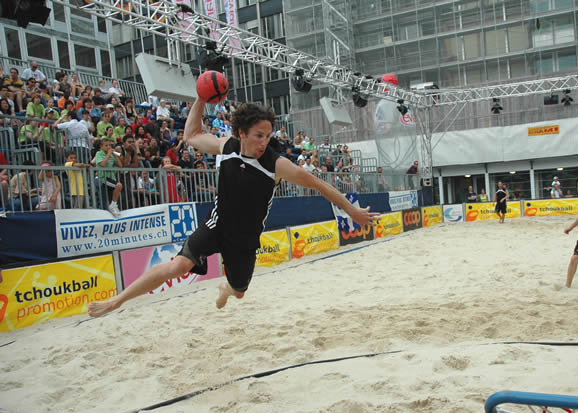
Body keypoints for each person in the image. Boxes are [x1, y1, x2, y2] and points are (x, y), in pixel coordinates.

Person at [87, 99, 379, 318]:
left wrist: (351, 210)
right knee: (178, 266)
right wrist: (201, 98)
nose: (264, 142)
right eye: (258, 135)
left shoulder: (276, 164)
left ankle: (226, 288)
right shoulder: (228, 146)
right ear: (241, 132)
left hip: (245, 239)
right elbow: (191, 135)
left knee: (239, 292)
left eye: (268, 135)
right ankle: (116, 301)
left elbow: (318, 184)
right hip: (217, 224)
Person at [94, 138, 123, 217]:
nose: (108, 147)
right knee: (119, 185)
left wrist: (115, 155)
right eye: (106, 145)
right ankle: (113, 205)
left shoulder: (112, 155)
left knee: (111, 196)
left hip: (112, 178)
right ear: (101, 146)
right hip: (103, 177)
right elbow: (103, 164)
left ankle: (112, 206)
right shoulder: (99, 153)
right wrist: (108, 154)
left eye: (110, 145)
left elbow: (120, 166)